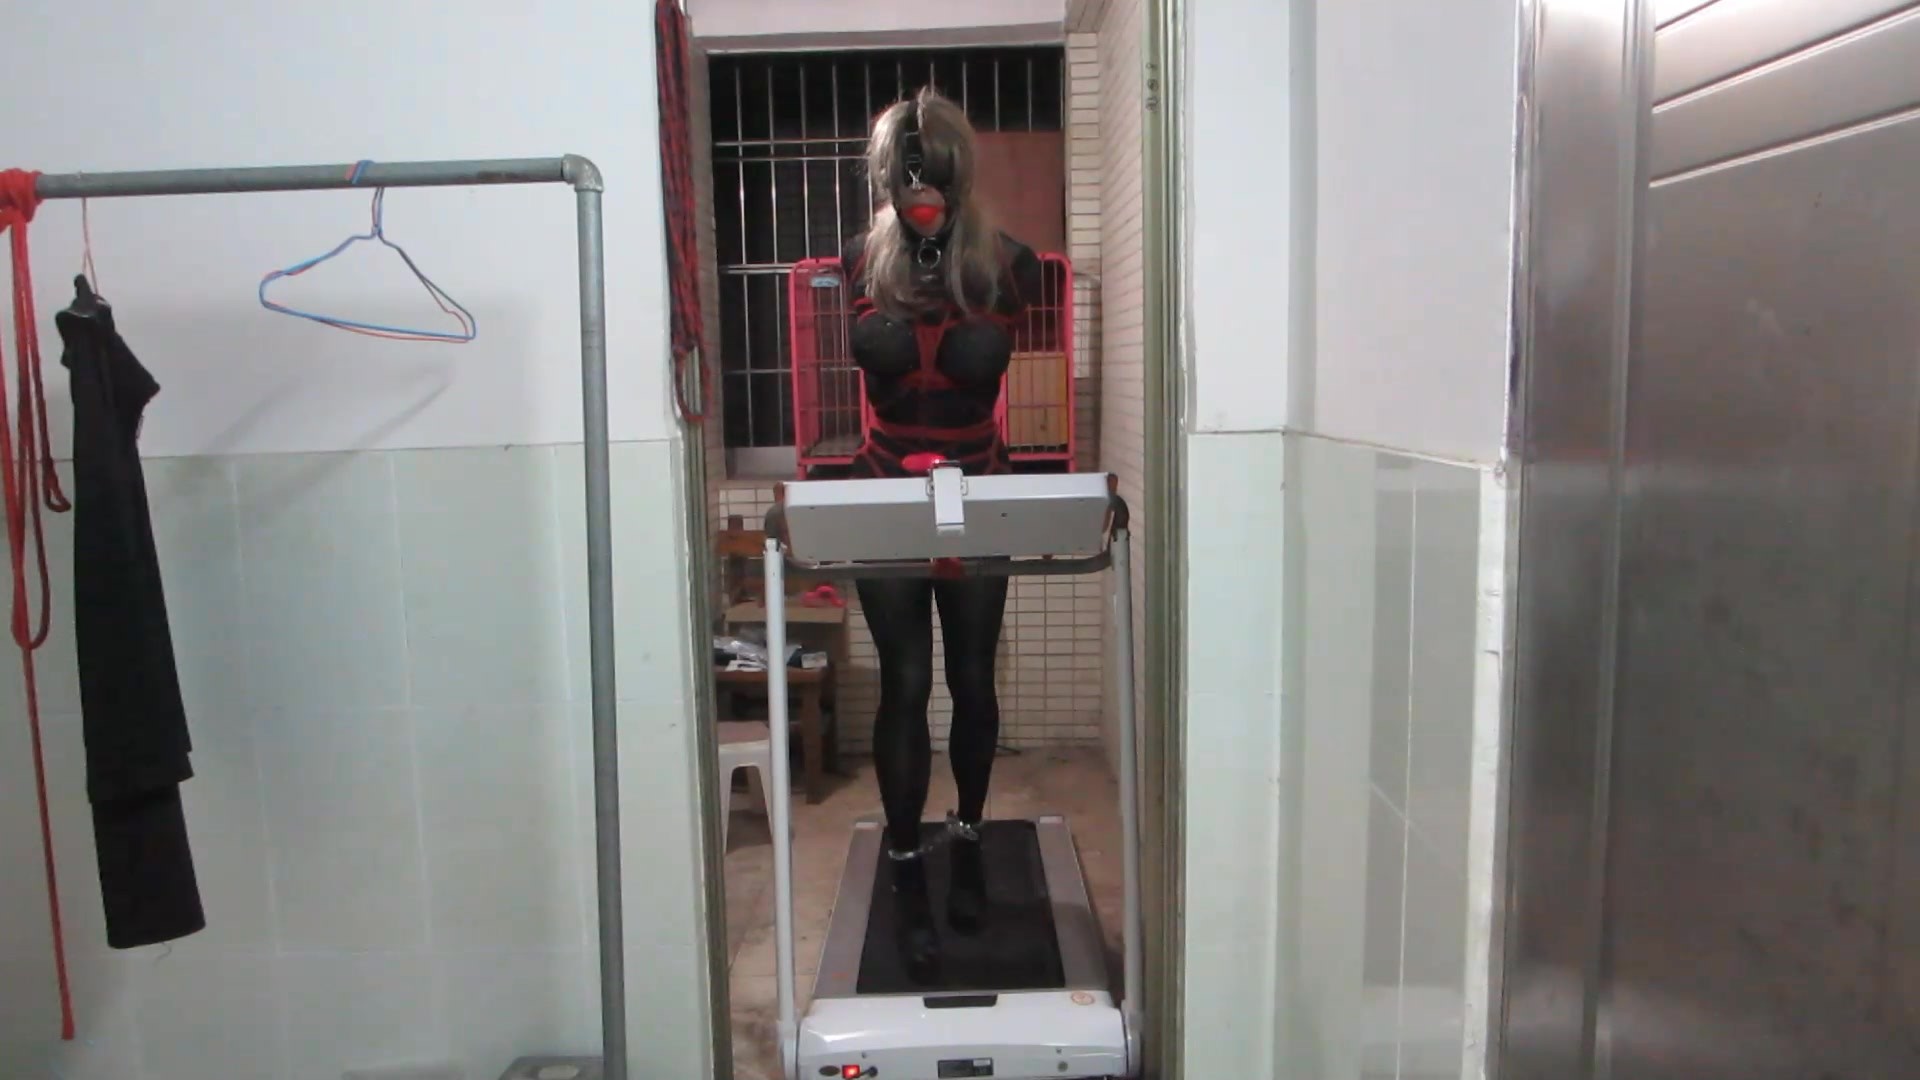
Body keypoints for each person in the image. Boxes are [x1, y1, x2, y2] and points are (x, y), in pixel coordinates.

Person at [840, 87, 1044, 973]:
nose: (921, 192)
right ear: (888, 180)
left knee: (970, 677)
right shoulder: (861, 259)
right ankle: (903, 856)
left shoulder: (1012, 263)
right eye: (906, 177)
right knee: (906, 682)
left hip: (978, 488)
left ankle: (967, 835)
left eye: (934, 176)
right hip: (885, 492)